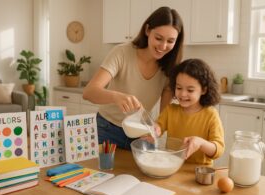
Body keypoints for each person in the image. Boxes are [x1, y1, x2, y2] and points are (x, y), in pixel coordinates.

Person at [83, 7, 184, 150]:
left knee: (144, 173)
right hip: (106, 129)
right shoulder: (122, 53)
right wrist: (116, 97)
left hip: (141, 134)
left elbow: (164, 115)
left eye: (170, 41)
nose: (163, 46)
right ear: (147, 30)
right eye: (158, 38)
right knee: (103, 171)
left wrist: (156, 129)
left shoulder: (170, 68)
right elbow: (89, 92)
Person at [156, 58, 225, 165]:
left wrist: (201, 143)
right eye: (179, 88)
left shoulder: (211, 115)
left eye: (190, 90)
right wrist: (154, 131)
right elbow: (158, 127)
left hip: (198, 172)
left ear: (204, 90)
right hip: (173, 166)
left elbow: (218, 150)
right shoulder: (170, 110)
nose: (183, 94)